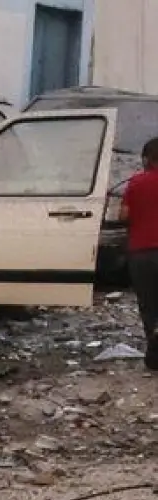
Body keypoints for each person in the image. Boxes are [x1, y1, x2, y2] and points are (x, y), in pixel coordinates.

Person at [120, 136, 158, 371]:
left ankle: (155, 357)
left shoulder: (136, 182)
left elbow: (123, 215)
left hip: (142, 254)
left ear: (147, 159)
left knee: (149, 305)